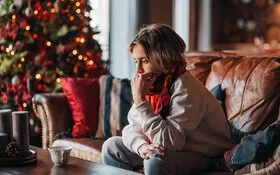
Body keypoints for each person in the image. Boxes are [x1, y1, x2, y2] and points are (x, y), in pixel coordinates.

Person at [102, 23, 235, 175]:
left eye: (144, 61)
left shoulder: (185, 86)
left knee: (155, 160)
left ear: (162, 57)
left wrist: (140, 102)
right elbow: (132, 128)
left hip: (204, 154)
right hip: (172, 149)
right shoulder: (152, 84)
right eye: (135, 61)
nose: (138, 70)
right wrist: (142, 147)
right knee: (111, 147)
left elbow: (171, 142)